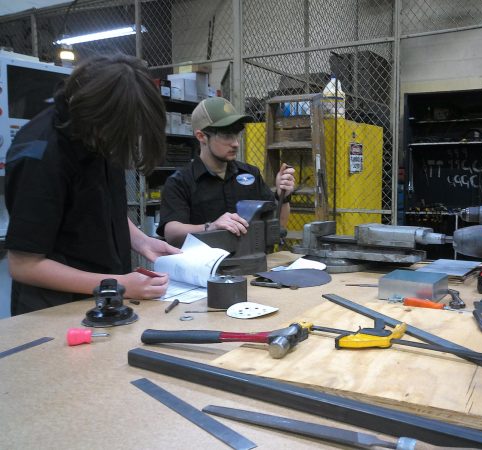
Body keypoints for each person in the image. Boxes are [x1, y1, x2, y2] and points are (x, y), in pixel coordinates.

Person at [4, 54, 180, 316]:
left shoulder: (100, 132)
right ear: (96, 118)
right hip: (55, 307)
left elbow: (101, 205)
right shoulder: (41, 155)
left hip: (104, 295)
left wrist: (143, 242)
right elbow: (23, 265)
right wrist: (120, 284)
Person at [158, 97, 295, 247]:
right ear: (201, 136)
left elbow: (278, 224)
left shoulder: (250, 174)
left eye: (236, 134)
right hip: (205, 267)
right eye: (226, 135)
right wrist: (212, 227)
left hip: (251, 263)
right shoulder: (180, 182)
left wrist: (284, 195)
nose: (235, 143)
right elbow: (171, 233)